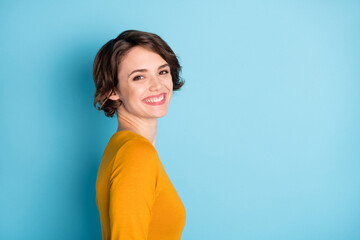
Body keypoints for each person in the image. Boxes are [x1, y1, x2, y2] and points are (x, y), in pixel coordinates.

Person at [92, 30, 186, 240]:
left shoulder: (121, 146)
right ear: (113, 91)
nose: (157, 86)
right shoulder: (136, 154)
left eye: (162, 72)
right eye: (139, 77)